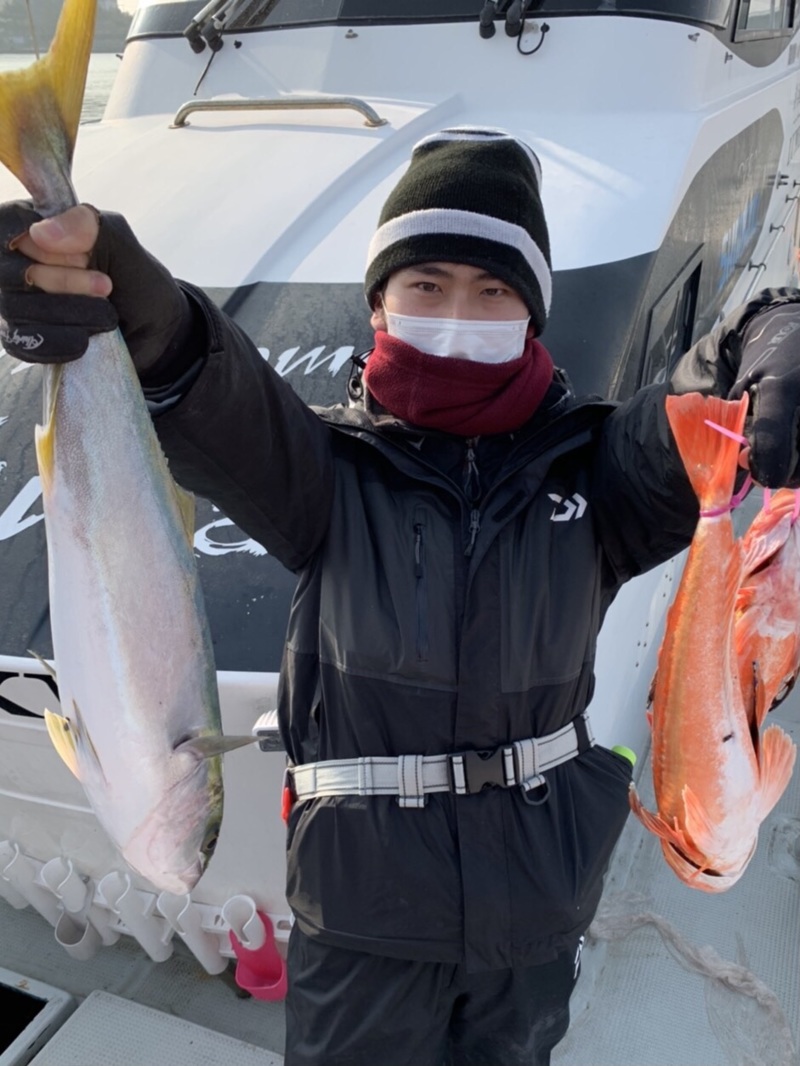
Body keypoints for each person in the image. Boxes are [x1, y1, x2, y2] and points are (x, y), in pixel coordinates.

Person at [2, 127, 800, 1066]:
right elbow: (207, 385)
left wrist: (775, 332)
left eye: (493, 290)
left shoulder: (598, 471)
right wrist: (134, 306)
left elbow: (705, 387)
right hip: (360, 927)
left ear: (532, 314)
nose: (458, 310)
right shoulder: (322, 470)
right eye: (426, 285)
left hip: (536, 916)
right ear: (380, 306)